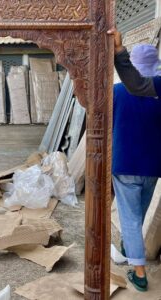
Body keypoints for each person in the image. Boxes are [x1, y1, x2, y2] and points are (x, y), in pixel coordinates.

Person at [108, 28, 161, 292]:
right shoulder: (159, 89)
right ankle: (130, 246)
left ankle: (139, 272)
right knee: (136, 214)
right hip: (152, 165)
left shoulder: (117, 92)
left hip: (125, 162)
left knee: (129, 217)